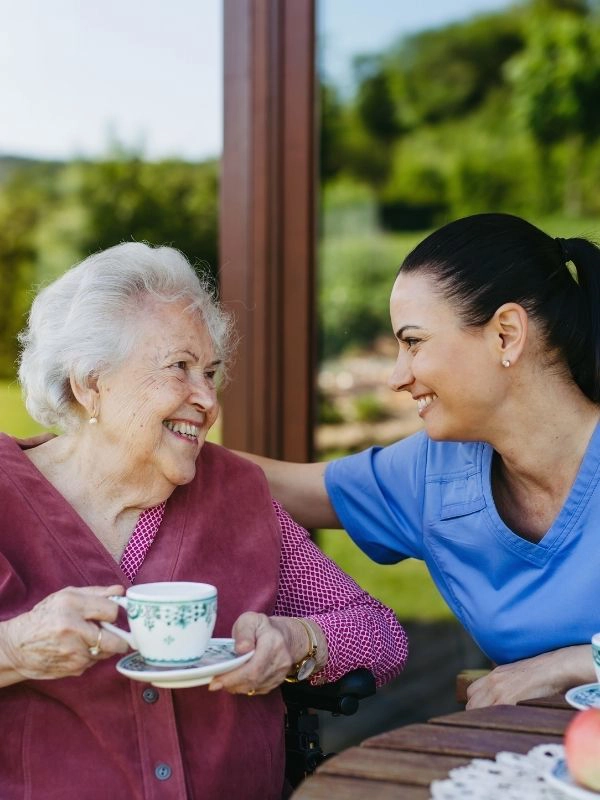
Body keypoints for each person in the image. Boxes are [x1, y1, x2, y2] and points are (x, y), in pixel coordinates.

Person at [0, 242, 408, 800]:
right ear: (90, 383)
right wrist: (15, 649)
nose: (207, 399)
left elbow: (380, 635)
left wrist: (297, 641)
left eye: (211, 372)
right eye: (180, 368)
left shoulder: (236, 495)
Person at [239, 212, 600, 710]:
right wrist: (157, 432)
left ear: (506, 335)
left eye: (413, 342)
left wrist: (572, 663)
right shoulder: (438, 472)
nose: (396, 376)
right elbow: (275, 486)